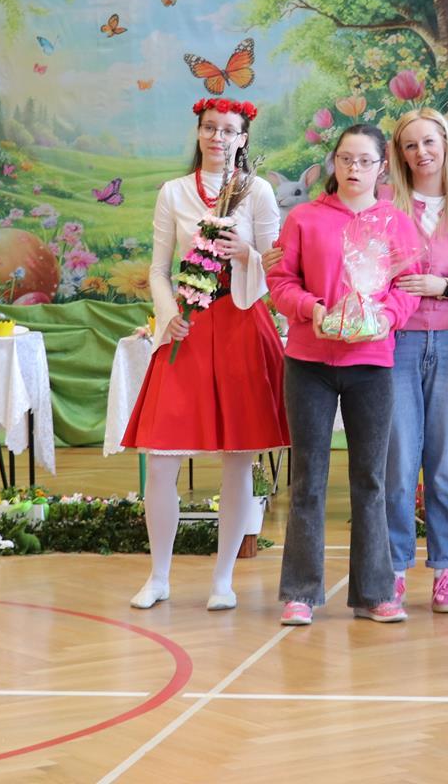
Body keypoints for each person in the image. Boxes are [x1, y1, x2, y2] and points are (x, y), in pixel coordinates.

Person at [122, 96, 288, 611]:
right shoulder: (173, 192)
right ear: (199, 133)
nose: (218, 137)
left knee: (238, 460)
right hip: (186, 330)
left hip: (241, 326)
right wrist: (166, 312)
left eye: (228, 130)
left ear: (243, 139)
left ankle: (223, 580)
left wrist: (247, 254)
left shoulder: (257, 191)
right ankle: (159, 576)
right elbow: (158, 268)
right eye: (210, 128)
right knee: (161, 459)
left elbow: (279, 264)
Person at [267, 124, 423, 626]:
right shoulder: (305, 218)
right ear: (333, 163)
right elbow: (280, 280)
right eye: (345, 159)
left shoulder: (396, 222)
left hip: (371, 364)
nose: (354, 169)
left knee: (370, 480)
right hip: (309, 363)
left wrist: (385, 317)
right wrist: (311, 309)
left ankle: (375, 593)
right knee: (307, 478)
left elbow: (407, 286)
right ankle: (300, 592)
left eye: (365, 161)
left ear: (382, 168)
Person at [384, 108, 448, 613]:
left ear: (446, 146)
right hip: (395, 344)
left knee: (443, 467)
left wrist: (443, 286)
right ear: (399, 155)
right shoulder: (384, 204)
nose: (421, 152)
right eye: (410, 145)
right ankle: (394, 571)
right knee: (399, 465)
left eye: (429, 142)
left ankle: (445, 572)